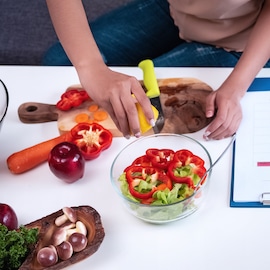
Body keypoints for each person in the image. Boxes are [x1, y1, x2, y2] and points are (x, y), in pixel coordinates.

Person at [43, 0, 270, 140]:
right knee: (58, 61)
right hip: (176, 8)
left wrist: (236, 88)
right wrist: (90, 67)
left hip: (245, 35)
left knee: (156, 119)